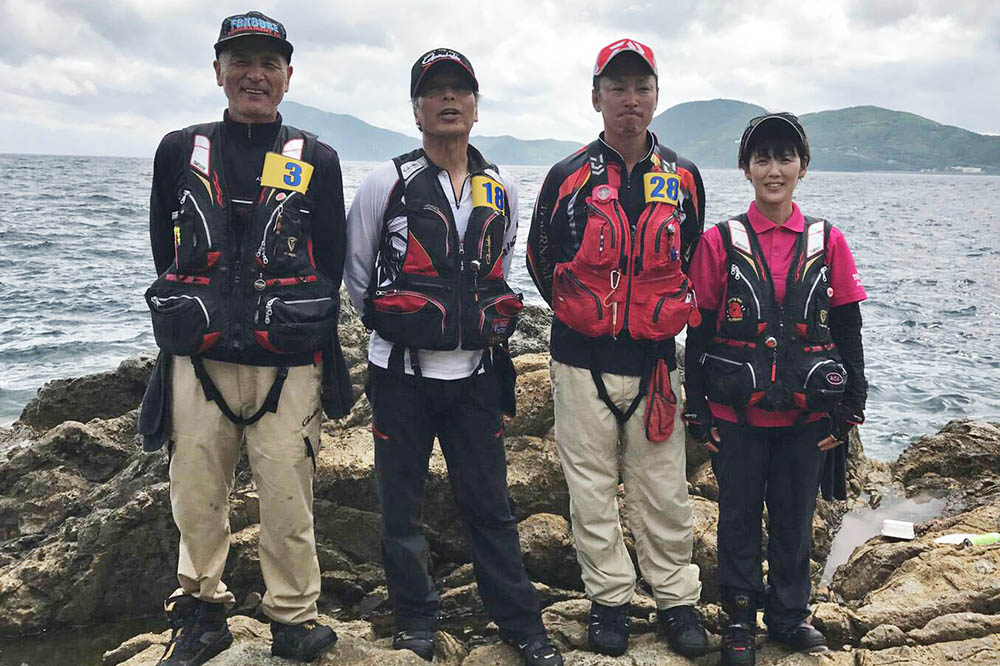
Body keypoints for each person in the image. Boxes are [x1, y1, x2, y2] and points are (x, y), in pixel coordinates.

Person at [142, 10, 351, 665]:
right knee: (195, 494)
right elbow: (163, 246)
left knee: (288, 497)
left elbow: (331, 257)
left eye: (268, 63)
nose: (254, 74)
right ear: (218, 72)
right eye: (240, 62)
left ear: (288, 76)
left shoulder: (317, 159)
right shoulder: (178, 150)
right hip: (198, 360)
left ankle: (293, 616)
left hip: (287, 365)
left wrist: (291, 321)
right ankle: (203, 612)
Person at [344, 48, 562, 666]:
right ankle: (415, 620)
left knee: (491, 506)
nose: (448, 99)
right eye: (434, 90)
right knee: (401, 508)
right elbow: (358, 275)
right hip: (401, 376)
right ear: (416, 109)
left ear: (475, 105)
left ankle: (520, 623)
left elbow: (502, 262)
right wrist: (405, 326)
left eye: (459, 90)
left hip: (476, 377)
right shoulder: (385, 183)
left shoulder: (502, 186)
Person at [526, 38, 708, 658]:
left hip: (655, 362)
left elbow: (688, 260)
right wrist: (585, 316)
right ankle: (609, 602)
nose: (630, 99)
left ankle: (677, 601)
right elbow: (541, 258)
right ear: (596, 96)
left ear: (656, 96)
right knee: (590, 487)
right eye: (617, 88)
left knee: (664, 488)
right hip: (580, 362)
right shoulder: (567, 176)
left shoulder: (683, 177)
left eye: (641, 87)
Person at [683, 112, 868, 665]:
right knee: (737, 518)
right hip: (737, 417)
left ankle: (789, 616)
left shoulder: (828, 241)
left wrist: (851, 407)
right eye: (761, 158)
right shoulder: (719, 242)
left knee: (794, 519)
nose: (774, 170)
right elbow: (699, 330)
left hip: (807, 420)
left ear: (803, 167)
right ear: (745, 168)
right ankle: (739, 620)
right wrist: (697, 409)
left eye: (785, 158)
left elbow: (848, 329)